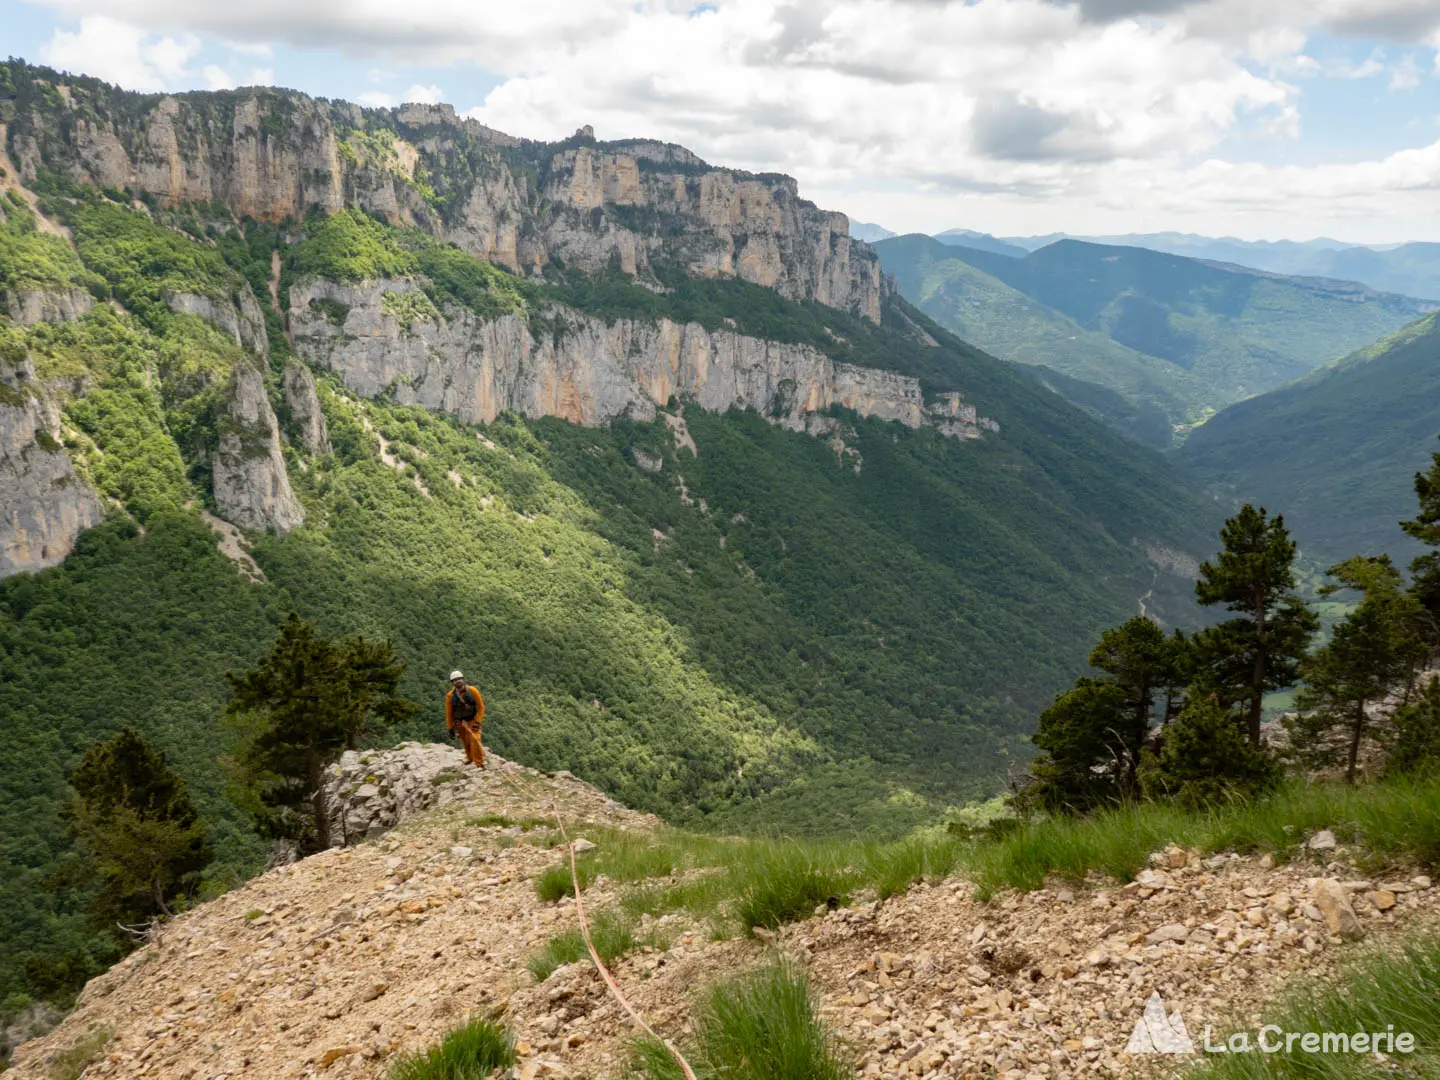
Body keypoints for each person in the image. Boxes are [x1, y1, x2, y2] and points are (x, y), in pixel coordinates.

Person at [445, 670, 486, 768]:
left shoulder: (472, 691)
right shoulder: (450, 696)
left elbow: (481, 707)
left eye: (459, 679)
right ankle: (470, 758)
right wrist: (450, 728)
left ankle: (479, 763)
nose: (458, 681)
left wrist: (478, 721)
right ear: (452, 683)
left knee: (475, 739)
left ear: (463, 679)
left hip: (472, 720)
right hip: (460, 722)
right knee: (466, 741)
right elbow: (449, 713)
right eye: (455, 680)